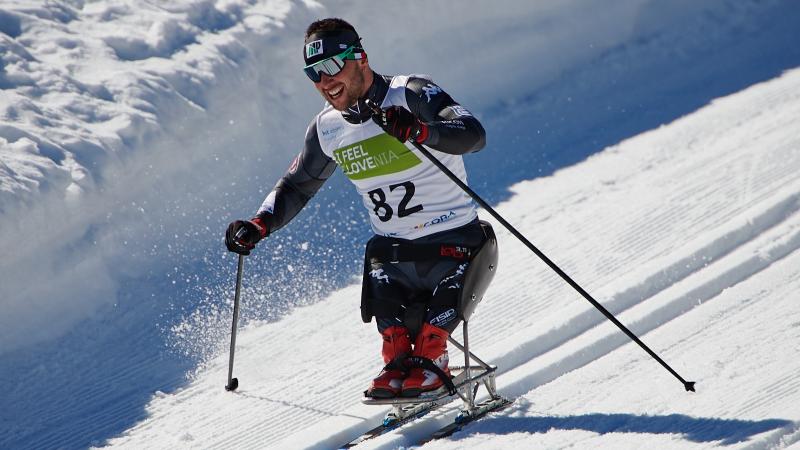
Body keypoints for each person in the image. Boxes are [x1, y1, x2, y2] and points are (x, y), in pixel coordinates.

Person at [225, 17, 493, 398]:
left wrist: (420, 131)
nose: (325, 81)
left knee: (430, 336)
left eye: (333, 65)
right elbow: (298, 185)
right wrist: (259, 224)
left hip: (458, 245)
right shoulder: (328, 128)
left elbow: (473, 135)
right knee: (383, 278)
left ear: (361, 58)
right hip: (395, 256)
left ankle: (434, 358)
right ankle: (400, 360)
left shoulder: (411, 93)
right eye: (313, 73)